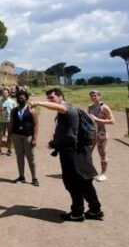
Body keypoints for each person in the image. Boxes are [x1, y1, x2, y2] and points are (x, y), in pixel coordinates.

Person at [31, 88, 103, 222]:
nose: (50, 100)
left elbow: (60, 108)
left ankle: (77, 212)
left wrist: (39, 103)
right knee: (85, 181)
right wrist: (55, 142)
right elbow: (68, 131)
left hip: (73, 152)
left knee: (73, 183)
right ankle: (95, 210)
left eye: (52, 98)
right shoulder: (68, 109)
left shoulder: (67, 108)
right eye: (48, 98)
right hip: (76, 151)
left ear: (60, 97)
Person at [9, 90, 39, 186]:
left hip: (28, 136)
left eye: (22, 97)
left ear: (26, 99)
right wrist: (9, 137)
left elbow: (36, 125)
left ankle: (34, 178)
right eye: (18, 98)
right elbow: (11, 124)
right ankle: (21, 176)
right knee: (19, 157)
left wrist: (34, 138)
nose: (20, 99)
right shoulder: (13, 111)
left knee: (31, 157)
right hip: (16, 136)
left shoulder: (31, 111)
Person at [88, 90, 115, 182]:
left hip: (101, 133)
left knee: (102, 153)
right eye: (91, 96)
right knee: (87, 153)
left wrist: (98, 120)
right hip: (91, 133)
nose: (93, 97)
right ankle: (91, 172)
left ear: (99, 96)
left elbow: (112, 121)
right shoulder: (90, 107)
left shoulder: (104, 107)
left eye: (95, 95)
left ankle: (103, 174)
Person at [0, 88, 17, 156]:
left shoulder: (13, 102)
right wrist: (0, 109)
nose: (4, 94)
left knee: (10, 136)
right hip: (2, 121)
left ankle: (9, 150)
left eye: (6, 93)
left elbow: (16, 112)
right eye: (3, 93)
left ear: (8, 93)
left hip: (10, 121)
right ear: (1, 94)